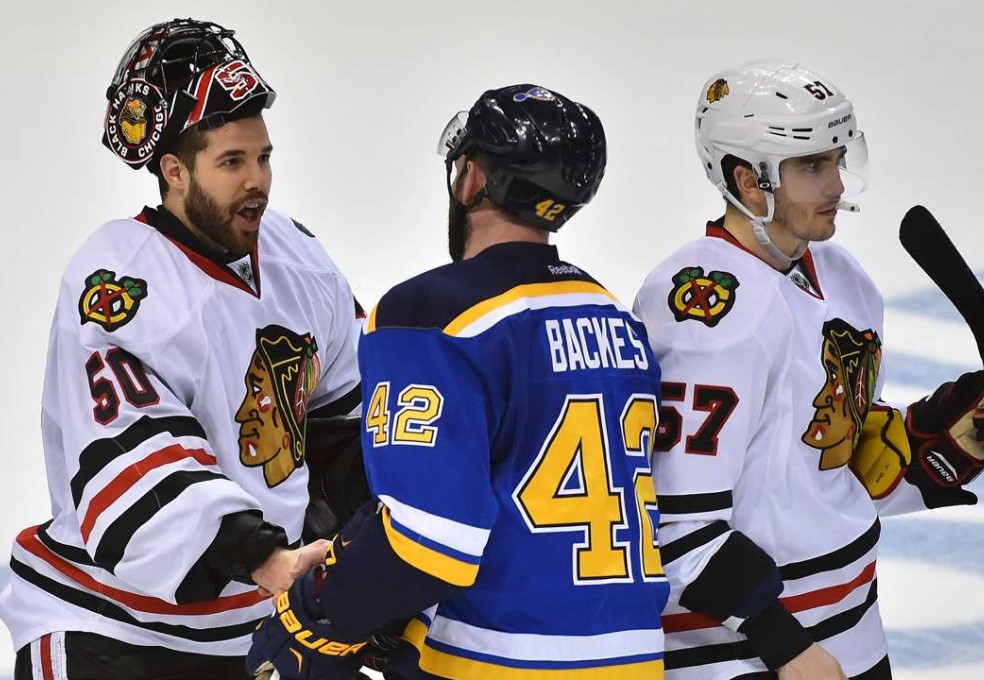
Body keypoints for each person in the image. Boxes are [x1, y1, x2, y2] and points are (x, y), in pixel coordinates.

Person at [246, 83, 671, 680]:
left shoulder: (431, 314)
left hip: (495, 659)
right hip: (632, 656)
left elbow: (429, 541)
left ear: (470, 179)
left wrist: (312, 617)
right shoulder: (617, 319)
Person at [0, 18, 367, 679]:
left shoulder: (301, 258)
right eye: (232, 162)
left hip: (263, 617)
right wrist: (265, 557)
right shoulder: (120, 283)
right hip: (109, 628)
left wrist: (370, 547)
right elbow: (136, 455)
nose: (257, 180)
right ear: (173, 170)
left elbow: (341, 424)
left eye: (263, 157)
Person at [633, 59, 984, 680]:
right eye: (812, 166)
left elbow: (831, 466)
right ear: (747, 179)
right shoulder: (706, 310)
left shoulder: (843, 279)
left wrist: (951, 436)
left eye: (837, 159)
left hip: (854, 628)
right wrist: (783, 645)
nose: (836, 183)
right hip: (742, 655)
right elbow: (677, 519)